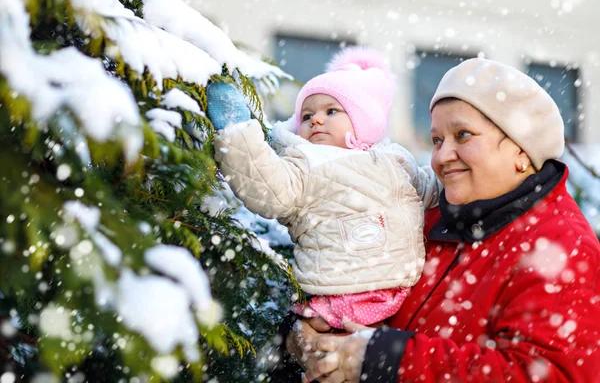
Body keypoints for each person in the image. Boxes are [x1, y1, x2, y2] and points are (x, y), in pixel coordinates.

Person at [281, 58, 600, 383]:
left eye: (462, 135)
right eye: (436, 140)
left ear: (521, 150)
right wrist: (304, 336)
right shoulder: (423, 215)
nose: (442, 156)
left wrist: (384, 358)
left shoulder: (562, 247)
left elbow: (549, 375)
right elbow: (340, 283)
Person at [205, 47, 441, 330]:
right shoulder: (305, 163)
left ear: (363, 122)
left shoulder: (395, 160)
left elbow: (430, 189)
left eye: (331, 111)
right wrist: (237, 132)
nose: (315, 120)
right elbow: (265, 185)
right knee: (327, 352)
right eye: (306, 116)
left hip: (402, 291)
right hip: (338, 294)